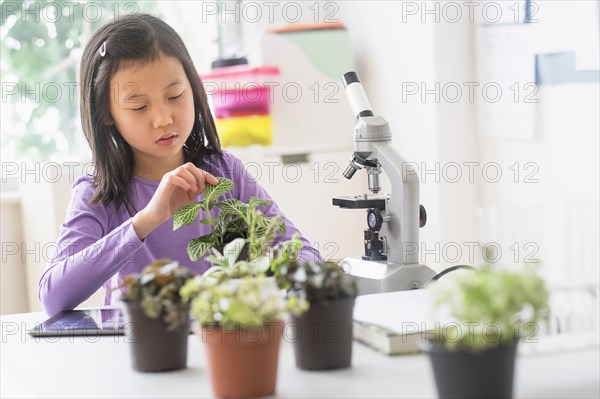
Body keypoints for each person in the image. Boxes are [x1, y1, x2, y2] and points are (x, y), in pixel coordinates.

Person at [38, 13, 322, 317]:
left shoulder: (225, 173)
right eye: (139, 106)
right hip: (138, 353)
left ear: (194, 87)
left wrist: (267, 271)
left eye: (175, 95)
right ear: (107, 113)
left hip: (223, 344)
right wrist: (146, 220)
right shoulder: (98, 193)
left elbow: (306, 255)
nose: (163, 118)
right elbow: (53, 296)